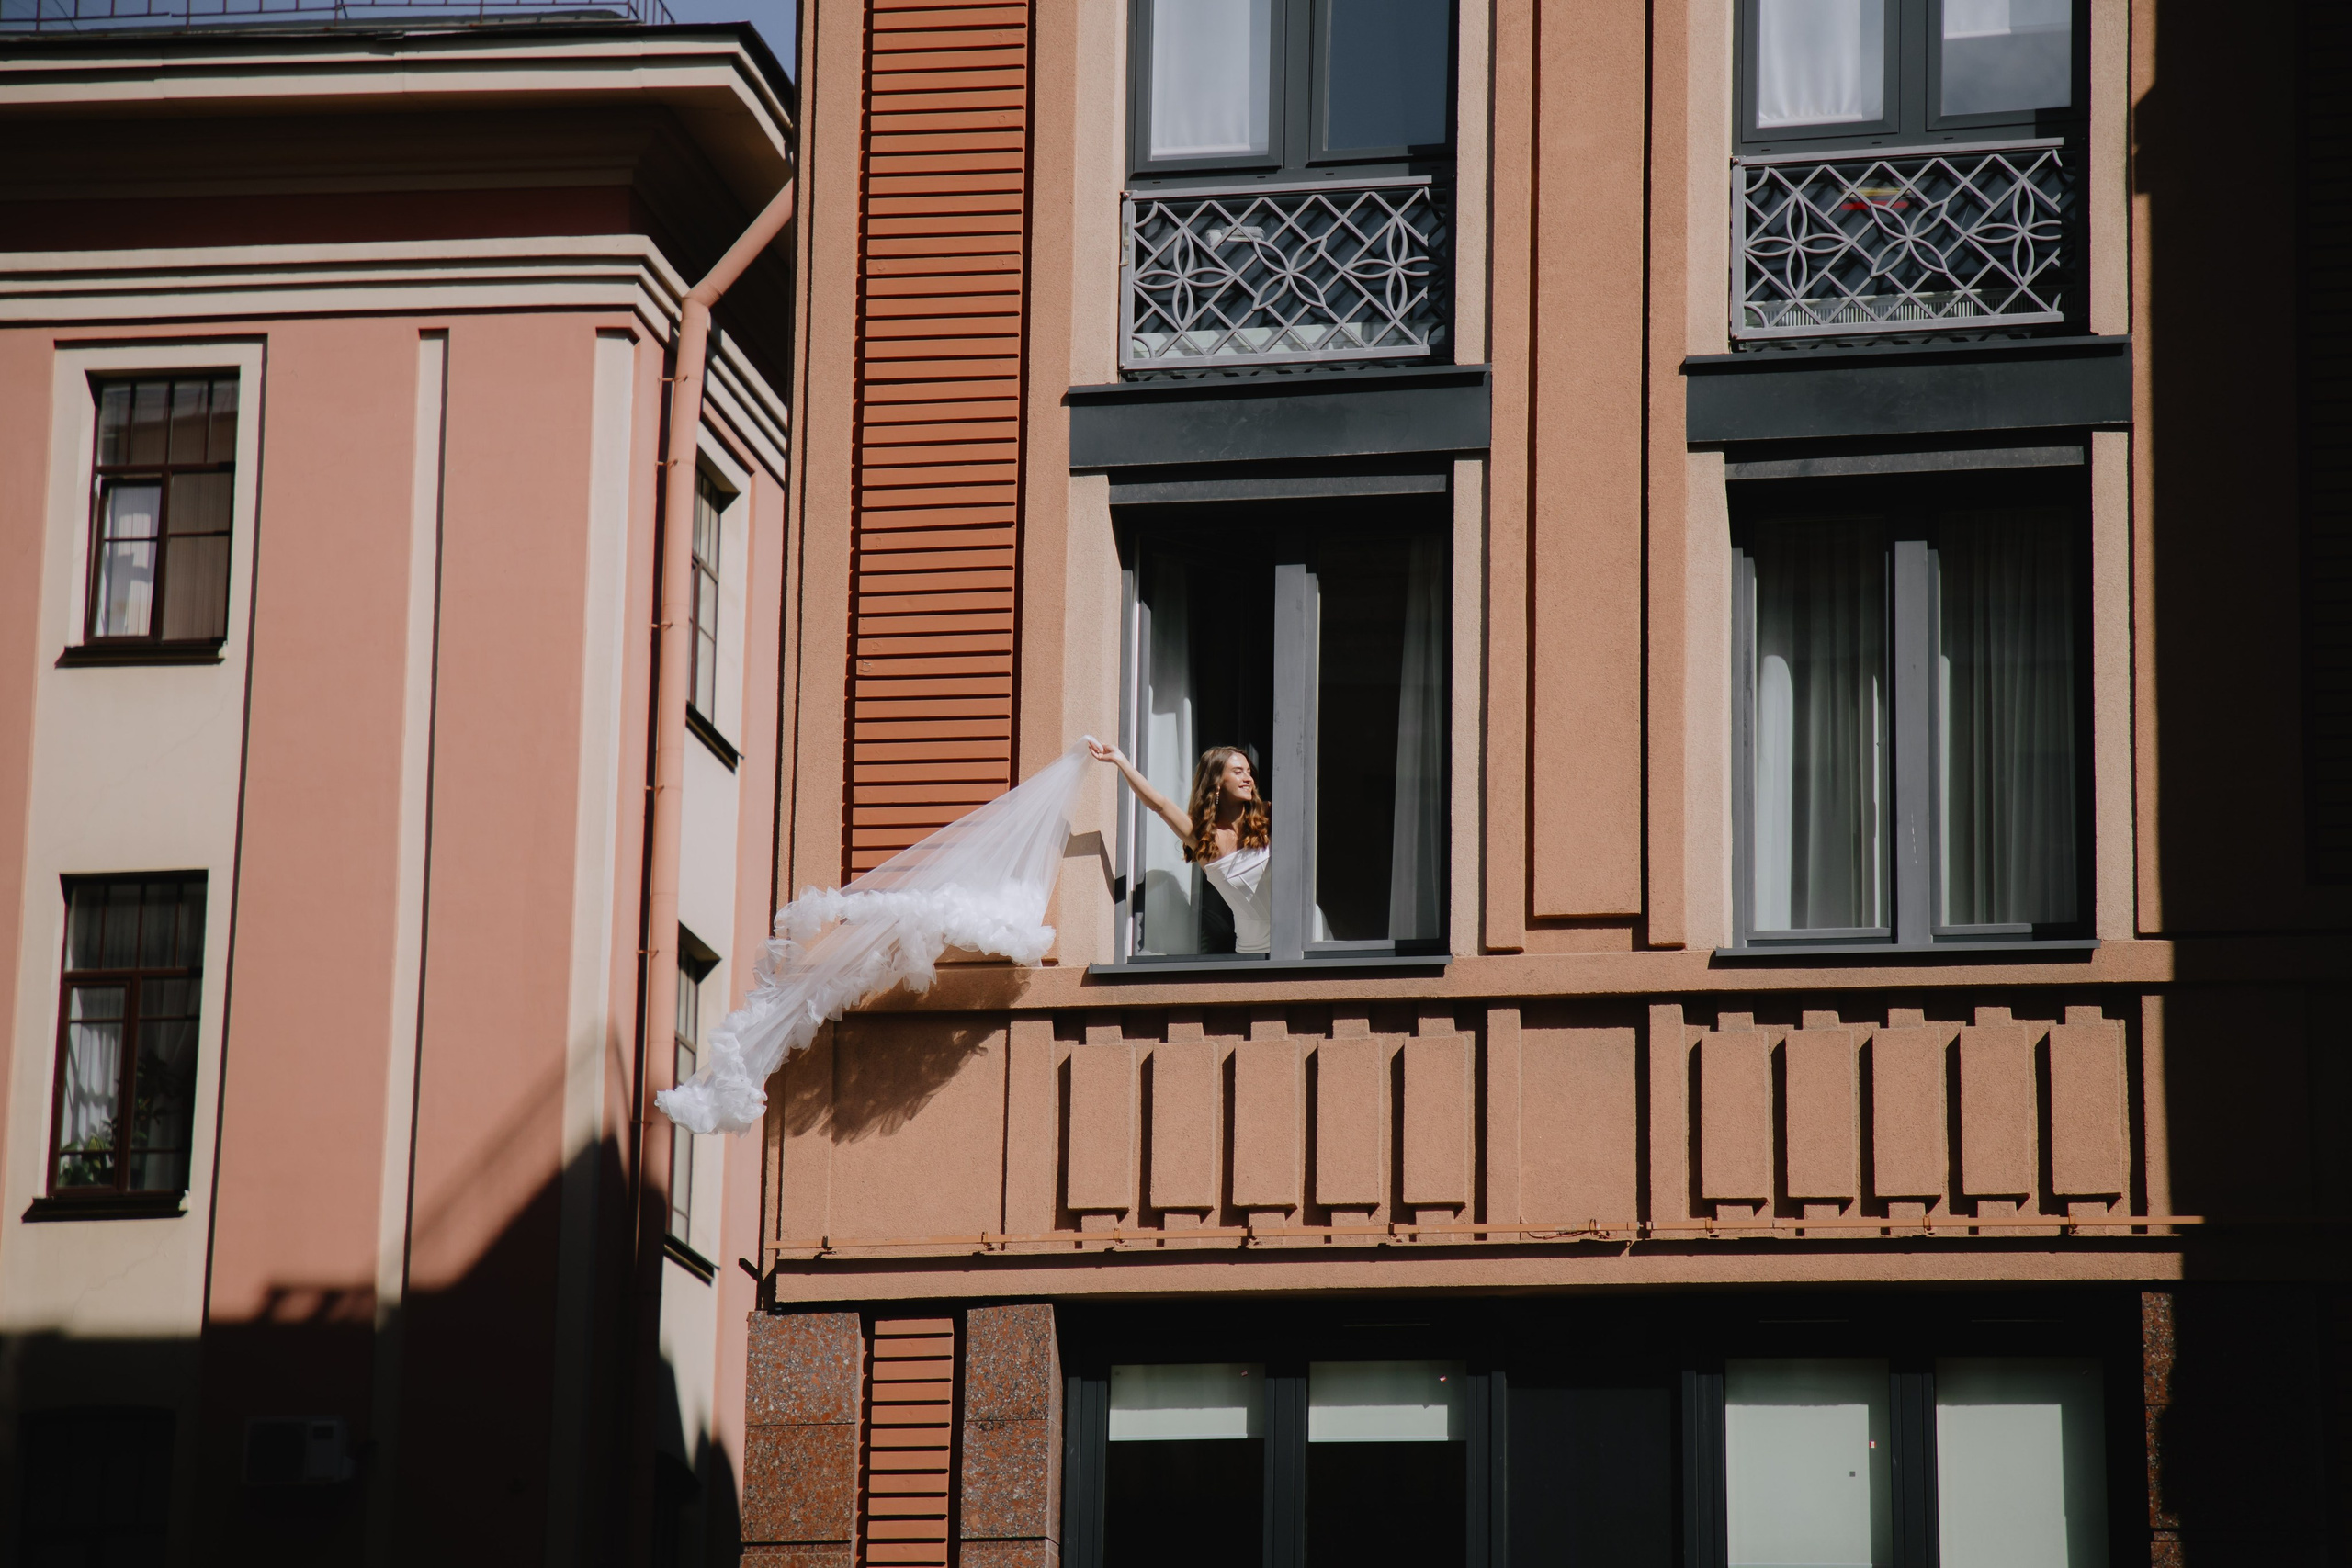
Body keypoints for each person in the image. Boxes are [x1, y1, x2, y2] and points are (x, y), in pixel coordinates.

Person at [1088, 739, 1272, 953]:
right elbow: (1159, 804)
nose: (1248, 778)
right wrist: (1121, 761)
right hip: (1251, 950)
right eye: (1238, 772)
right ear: (1218, 782)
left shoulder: (1268, 816)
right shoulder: (1203, 836)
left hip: (1296, 938)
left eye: (1249, 772)